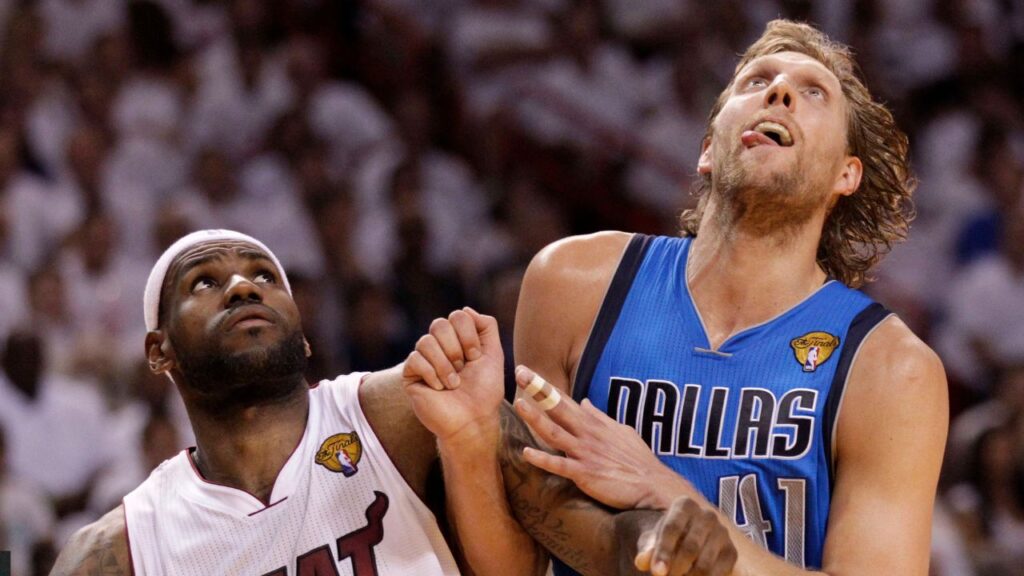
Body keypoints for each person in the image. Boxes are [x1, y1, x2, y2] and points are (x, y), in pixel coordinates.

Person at [511, 19, 948, 575]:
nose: (779, 92)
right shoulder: (573, 284)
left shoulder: (890, 369)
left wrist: (666, 493)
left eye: (813, 93)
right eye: (755, 80)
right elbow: (515, 551)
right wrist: (465, 437)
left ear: (847, 174)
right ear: (707, 151)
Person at [49, 228, 733, 575]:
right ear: (158, 351)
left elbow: (590, 536)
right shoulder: (124, 550)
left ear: (307, 336)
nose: (241, 287)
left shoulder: (401, 413)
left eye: (263, 276)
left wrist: (662, 541)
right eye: (204, 282)